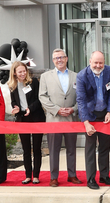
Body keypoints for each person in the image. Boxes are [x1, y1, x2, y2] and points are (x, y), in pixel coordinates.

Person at [39, 49, 82, 187]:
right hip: (54, 119)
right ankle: (53, 177)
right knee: (54, 150)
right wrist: (57, 110)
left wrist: (73, 109)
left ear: (66, 58)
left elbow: (81, 97)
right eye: (56, 58)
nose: (59, 60)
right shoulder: (46, 77)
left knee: (71, 149)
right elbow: (42, 97)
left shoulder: (76, 76)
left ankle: (72, 175)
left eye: (61, 57)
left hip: (71, 119)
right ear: (53, 61)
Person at [77, 51, 110, 190]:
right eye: (96, 62)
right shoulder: (82, 76)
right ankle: (91, 179)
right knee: (90, 148)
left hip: (104, 114)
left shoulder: (109, 71)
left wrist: (109, 111)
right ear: (90, 61)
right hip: (90, 116)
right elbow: (81, 101)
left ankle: (104, 175)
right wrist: (86, 122)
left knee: (105, 146)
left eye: (101, 63)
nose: (98, 65)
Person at [8, 61, 46, 184]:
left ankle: (36, 175)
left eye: (24, 71)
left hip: (36, 117)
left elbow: (39, 99)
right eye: (20, 71)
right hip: (22, 119)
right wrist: (16, 107)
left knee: (36, 148)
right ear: (14, 73)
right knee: (26, 149)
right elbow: (13, 101)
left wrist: (30, 108)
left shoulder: (33, 82)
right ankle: (28, 175)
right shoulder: (12, 86)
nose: (23, 73)